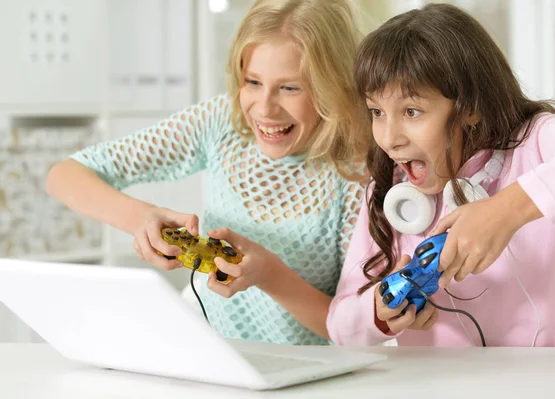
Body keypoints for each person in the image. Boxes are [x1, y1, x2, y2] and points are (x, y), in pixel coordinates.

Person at [46, 0, 371, 346]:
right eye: (253, 82)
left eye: (290, 88)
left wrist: (269, 275)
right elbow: (64, 175)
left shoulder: (356, 175)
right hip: (208, 353)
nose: (264, 108)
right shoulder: (222, 123)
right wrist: (142, 219)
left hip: (305, 376)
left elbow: (356, 330)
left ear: (332, 86)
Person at [327, 3, 555, 347]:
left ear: (470, 108)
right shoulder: (392, 194)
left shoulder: (539, 147)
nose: (389, 138)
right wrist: (379, 313)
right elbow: (339, 327)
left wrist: (508, 209)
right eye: (377, 112)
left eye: (411, 111)